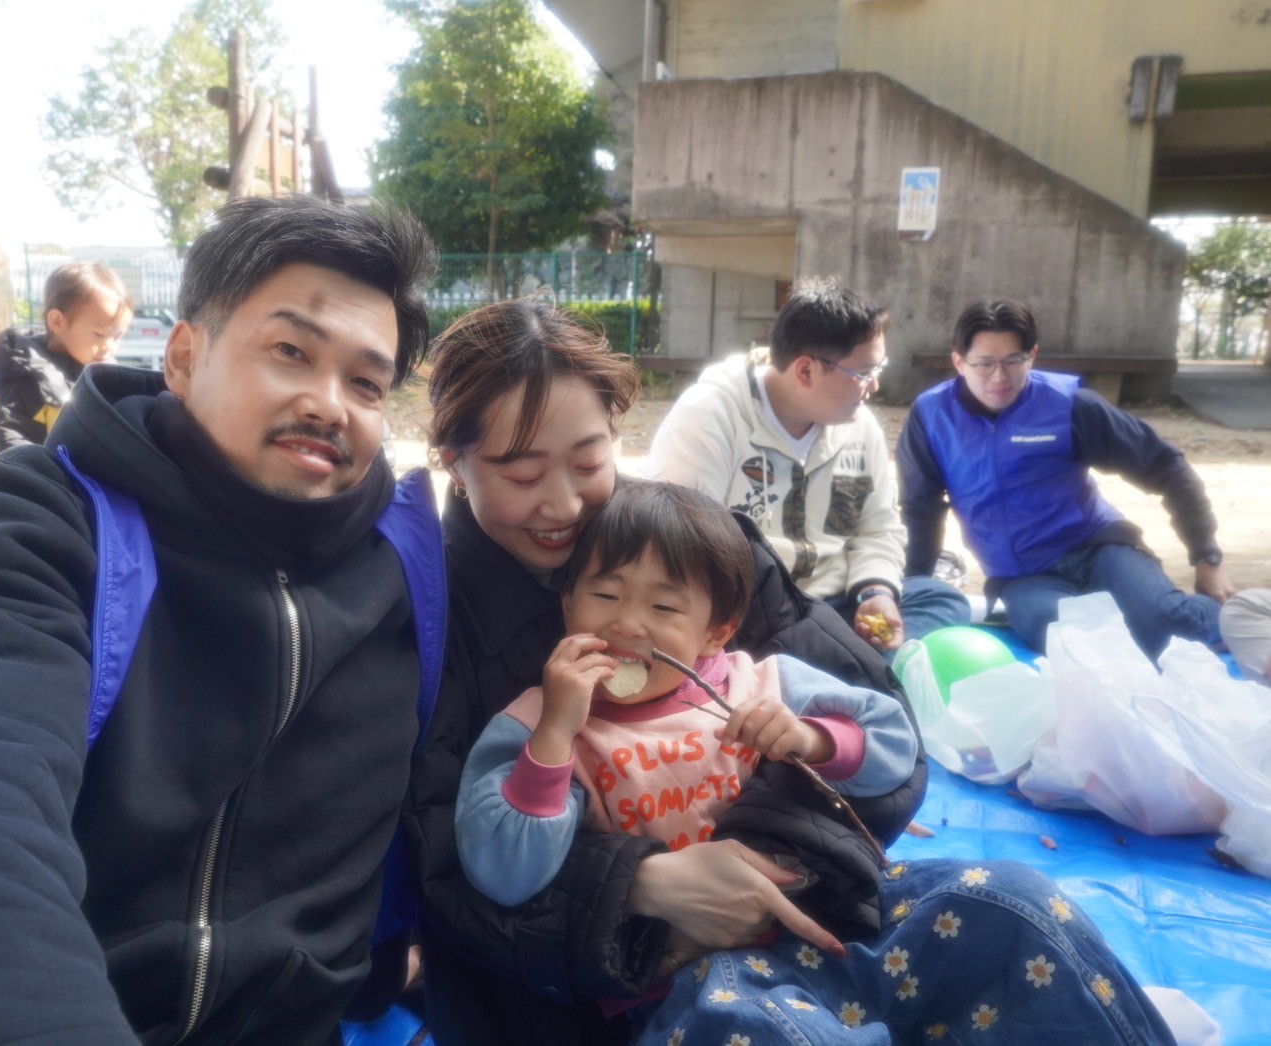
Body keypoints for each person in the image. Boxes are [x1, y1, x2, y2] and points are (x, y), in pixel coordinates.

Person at [0, 195, 441, 1043]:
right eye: (290, 351)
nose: (329, 403)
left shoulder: (401, 572)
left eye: (366, 382)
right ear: (183, 357)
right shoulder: (24, 525)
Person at [407, 296, 1178, 1046]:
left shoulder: (697, 551)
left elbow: (879, 724)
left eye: (587, 461)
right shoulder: (443, 634)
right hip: (626, 980)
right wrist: (641, 884)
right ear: (453, 463)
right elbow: (449, 871)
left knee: (1015, 908)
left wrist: (766, 851)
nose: (565, 504)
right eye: (521, 473)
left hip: (811, 915)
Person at [456, 480, 917, 913]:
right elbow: (502, 873)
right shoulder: (536, 722)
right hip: (663, 956)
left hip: (806, 920)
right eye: (606, 595)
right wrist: (555, 735)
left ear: (717, 633)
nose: (627, 624)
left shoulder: (764, 685)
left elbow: (894, 747)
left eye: (663, 606)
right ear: (568, 604)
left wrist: (812, 740)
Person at [646, 278, 969, 656]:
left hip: (836, 604)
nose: (874, 386)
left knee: (941, 598)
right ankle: (856, 666)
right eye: (864, 373)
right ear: (805, 370)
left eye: (878, 369)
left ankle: (841, 664)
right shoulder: (710, 416)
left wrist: (875, 591)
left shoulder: (860, 427)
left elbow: (878, 528)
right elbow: (683, 544)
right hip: (751, 614)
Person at [898, 298, 1230, 659]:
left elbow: (1165, 466)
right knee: (1071, 641)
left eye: (1013, 360)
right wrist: (914, 590)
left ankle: (1243, 617)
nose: (1000, 376)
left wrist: (1206, 557)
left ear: (1033, 356)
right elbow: (920, 509)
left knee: (1164, 625)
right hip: (1021, 575)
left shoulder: (1069, 405)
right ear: (959, 362)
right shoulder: (931, 417)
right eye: (985, 363)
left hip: (1098, 548)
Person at [0, 261, 133, 452]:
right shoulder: (26, 375)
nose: (109, 347)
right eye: (100, 334)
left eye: (118, 336)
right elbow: (10, 437)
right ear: (57, 322)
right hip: (40, 468)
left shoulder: (104, 376)